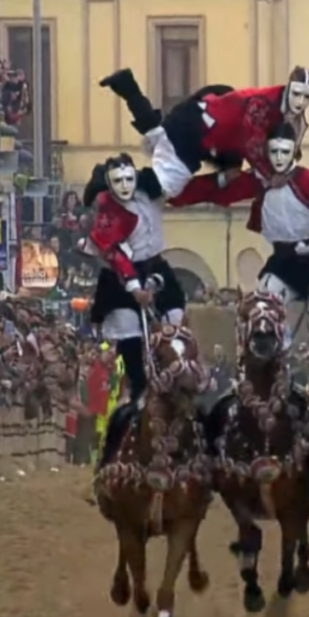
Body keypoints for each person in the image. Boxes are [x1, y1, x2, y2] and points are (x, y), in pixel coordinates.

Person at [173, 121, 309, 344]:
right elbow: (219, 191)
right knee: (262, 311)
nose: (279, 158)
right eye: (274, 152)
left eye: (285, 152)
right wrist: (171, 190)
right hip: (284, 262)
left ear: (295, 152)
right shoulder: (258, 181)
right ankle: (274, 363)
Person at [79, 154, 186, 455]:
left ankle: (177, 381)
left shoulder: (150, 192)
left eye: (129, 180)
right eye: (118, 181)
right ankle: (140, 391)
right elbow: (112, 251)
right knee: (129, 334)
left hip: (153, 265)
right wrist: (134, 286)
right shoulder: (107, 209)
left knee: (176, 318)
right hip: (118, 278)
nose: (125, 186)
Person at [100, 66, 309, 200]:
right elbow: (252, 140)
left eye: (307, 98)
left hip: (200, 119)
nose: (300, 103)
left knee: (158, 135)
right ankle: (106, 177)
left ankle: (126, 85)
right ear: (289, 88)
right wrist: (271, 174)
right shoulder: (262, 105)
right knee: (164, 189)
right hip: (197, 130)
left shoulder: (278, 111)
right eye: (297, 94)